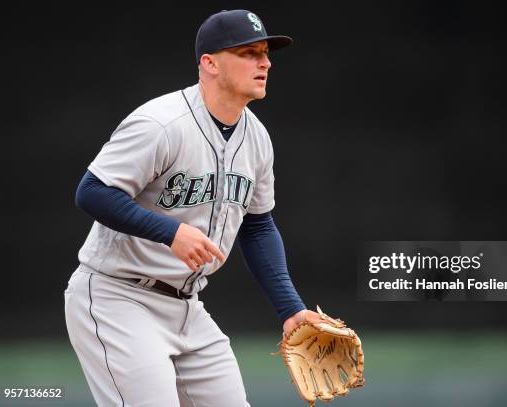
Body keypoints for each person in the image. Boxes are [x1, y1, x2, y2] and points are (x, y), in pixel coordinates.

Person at [64, 9, 321, 406]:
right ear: (210, 63)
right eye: (250, 52)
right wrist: (170, 232)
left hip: (188, 306)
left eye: (266, 53)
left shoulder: (257, 139)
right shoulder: (161, 123)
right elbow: (92, 191)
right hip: (119, 298)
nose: (265, 62)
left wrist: (290, 308)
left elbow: (257, 227)